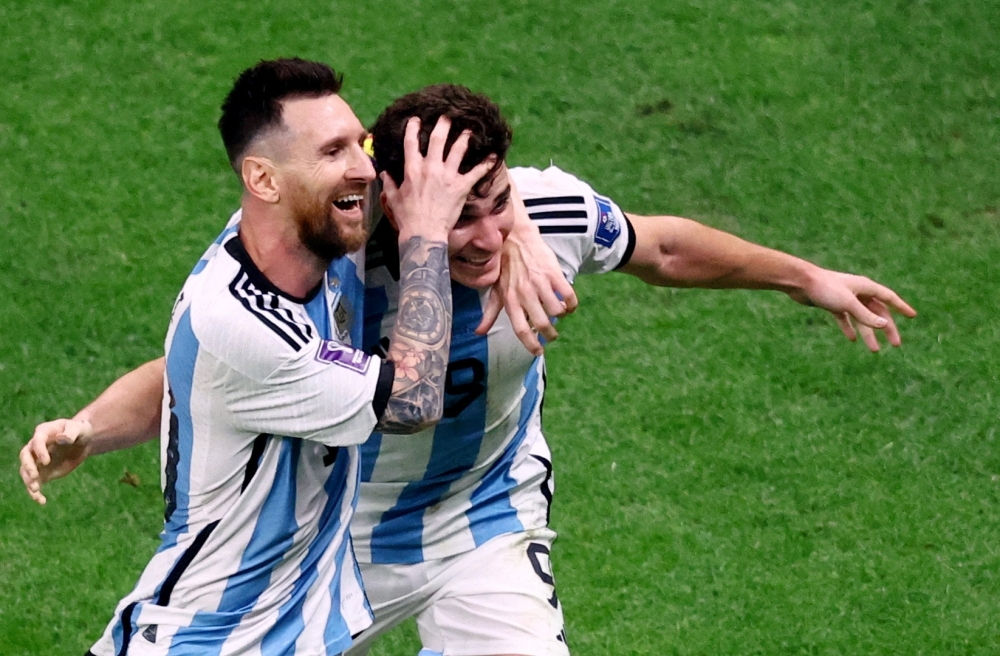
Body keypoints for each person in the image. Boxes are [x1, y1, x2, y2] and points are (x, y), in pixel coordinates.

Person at [21, 85, 916, 656]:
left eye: (499, 206)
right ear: (397, 203)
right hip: (338, 542)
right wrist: (92, 427)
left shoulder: (540, 216)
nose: (488, 234)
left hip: (482, 518)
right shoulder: (335, 265)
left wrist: (807, 277)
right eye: (460, 215)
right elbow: (210, 374)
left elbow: (666, 248)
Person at [73, 58, 500, 656]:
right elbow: (414, 398)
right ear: (264, 180)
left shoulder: (299, 230)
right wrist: (426, 233)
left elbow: (179, 376)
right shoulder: (243, 326)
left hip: (293, 632)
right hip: (209, 641)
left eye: (362, 143)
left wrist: (520, 231)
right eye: (333, 152)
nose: (363, 168)